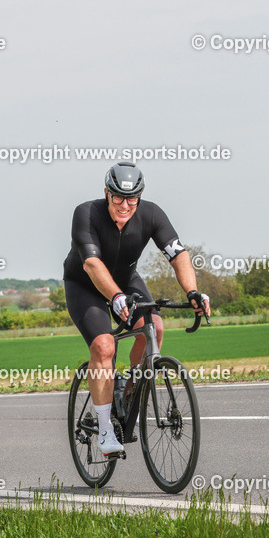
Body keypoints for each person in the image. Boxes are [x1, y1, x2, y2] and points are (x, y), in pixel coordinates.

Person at [64, 162, 209, 456]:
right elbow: (91, 263)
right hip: (85, 284)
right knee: (104, 347)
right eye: (118, 197)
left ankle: (130, 395)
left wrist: (192, 291)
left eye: (132, 198)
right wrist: (115, 297)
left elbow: (178, 254)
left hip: (125, 279)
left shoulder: (151, 213)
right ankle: (105, 427)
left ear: (140, 197)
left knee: (154, 328)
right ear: (107, 193)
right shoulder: (86, 213)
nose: (125, 205)